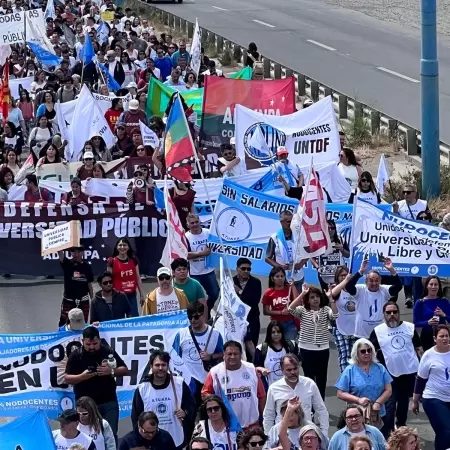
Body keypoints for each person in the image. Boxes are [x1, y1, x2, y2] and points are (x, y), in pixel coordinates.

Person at [65, 326, 129, 442]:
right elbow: (67, 378)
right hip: (85, 405)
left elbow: (125, 370)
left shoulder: (108, 351)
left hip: (108, 402)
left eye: (95, 344)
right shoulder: (76, 355)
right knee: (86, 435)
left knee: (110, 434)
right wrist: (81, 377)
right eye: (88, 344)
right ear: (82, 341)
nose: (92, 347)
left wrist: (111, 371)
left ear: (99, 340)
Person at [369, 301, 423, 436]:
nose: (392, 315)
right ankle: (387, 434)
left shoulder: (409, 327)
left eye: (394, 312)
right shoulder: (378, 331)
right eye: (388, 312)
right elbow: (369, 352)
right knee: (390, 405)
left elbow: (419, 348)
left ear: (399, 313)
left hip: (409, 373)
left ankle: (401, 430)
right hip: (389, 375)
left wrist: (423, 368)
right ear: (384, 315)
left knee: (404, 404)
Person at [131, 350, 195, 449]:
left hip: (176, 440)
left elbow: (191, 405)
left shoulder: (179, 384)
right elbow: (136, 417)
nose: (160, 368)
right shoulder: (142, 388)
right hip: (151, 442)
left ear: (168, 366)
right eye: (157, 365)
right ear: (151, 367)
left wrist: (185, 412)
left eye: (163, 365)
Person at [288, 284, 338, 399]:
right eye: (312, 297)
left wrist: (330, 299)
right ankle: (309, 405)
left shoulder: (326, 310)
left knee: (321, 378)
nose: (315, 299)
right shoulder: (302, 310)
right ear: (308, 300)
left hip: (323, 349)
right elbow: (290, 308)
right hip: (306, 349)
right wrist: (303, 293)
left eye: (317, 297)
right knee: (309, 378)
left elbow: (335, 316)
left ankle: (321, 404)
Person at [202, 340, 266, 430]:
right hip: (227, 426)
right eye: (229, 354)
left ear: (241, 355)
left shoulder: (251, 369)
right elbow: (205, 394)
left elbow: (261, 395)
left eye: (235, 354)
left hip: (251, 425)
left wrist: (262, 417)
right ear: (224, 355)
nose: (232, 357)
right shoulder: (214, 372)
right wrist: (217, 401)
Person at [263, 353, 329, 436]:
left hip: (306, 435)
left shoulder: (310, 384)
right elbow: (269, 415)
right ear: (282, 370)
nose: (293, 372)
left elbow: (321, 410)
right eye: (289, 370)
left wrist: (324, 434)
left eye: (295, 368)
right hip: (283, 436)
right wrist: (269, 437)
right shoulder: (273, 388)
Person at [173, 302, 223, 404]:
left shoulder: (215, 334)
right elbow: (174, 357)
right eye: (190, 317)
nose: (193, 320)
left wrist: (211, 357)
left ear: (203, 315)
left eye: (196, 317)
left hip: (207, 383)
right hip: (188, 383)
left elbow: (223, 354)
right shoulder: (181, 334)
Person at [335, 339, 392, 427]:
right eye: (363, 351)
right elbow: (340, 394)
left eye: (369, 350)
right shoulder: (350, 370)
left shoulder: (380, 368)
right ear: (356, 353)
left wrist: (378, 403)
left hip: (378, 413)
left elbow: (388, 390)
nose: (367, 353)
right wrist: (358, 400)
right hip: (357, 416)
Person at [413, 325, 450, 450]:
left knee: (444, 432)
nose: (444, 339)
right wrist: (415, 400)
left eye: (447, 336)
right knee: (446, 430)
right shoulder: (429, 355)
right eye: (441, 336)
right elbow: (421, 379)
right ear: (435, 338)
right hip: (434, 397)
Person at [345, 257, 403, 338]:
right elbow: (348, 286)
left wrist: (392, 270)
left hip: (380, 333)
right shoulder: (360, 289)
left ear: (380, 281)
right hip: (362, 334)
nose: (374, 283)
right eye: (371, 280)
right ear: (366, 281)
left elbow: (398, 287)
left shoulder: (384, 290)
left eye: (377, 280)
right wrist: (361, 271)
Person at [265, 210, 308, 294]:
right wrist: (279, 266)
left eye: (293, 221)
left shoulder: (299, 235)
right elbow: (267, 258)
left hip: (298, 276)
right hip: (281, 278)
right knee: (283, 302)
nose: (291, 223)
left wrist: (301, 264)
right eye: (289, 221)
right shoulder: (274, 238)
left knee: (297, 302)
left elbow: (308, 252)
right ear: (281, 222)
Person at [185, 214, 220, 312]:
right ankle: (199, 314)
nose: (195, 224)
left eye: (196, 222)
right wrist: (202, 253)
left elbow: (217, 245)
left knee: (215, 293)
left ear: (200, 222)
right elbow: (185, 255)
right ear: (188, 225)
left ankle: (206, 310)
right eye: (192, 223)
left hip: (209, 270)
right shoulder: (186, 237)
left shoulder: (208, 233)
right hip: (194, 273)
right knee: (195, 298)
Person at [106, 238, 145, 317]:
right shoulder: (111, 261)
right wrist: (108, 296)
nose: (122, 247)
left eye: (124, 245)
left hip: (132, 295)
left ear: (128, 247)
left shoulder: (134, 260)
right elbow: (108, 280)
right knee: (118, 320)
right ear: (117, 247)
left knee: (133, 320)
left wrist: (141, 294)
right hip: (117, 296)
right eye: (120, 245)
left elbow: (137, 277)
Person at [328, 267, 357, 372]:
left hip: (355, 329)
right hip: (340, 329)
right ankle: (345, 383)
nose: (344, 277)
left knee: (355, 358)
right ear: (337, 278)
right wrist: (345, 281)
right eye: (342, 276)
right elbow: (332, 294)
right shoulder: (336, 289)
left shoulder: (355, 289)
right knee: (344, 357)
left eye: (346, 275)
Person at [254, 320, 297, 390]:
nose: (276, 334)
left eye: (278, 332)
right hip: (270, 388)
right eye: (273, 332)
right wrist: (261, 370)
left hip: (290, 387)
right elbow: (255, 367)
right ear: (269, 334)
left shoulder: (291, 346)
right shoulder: (261, 348)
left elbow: (298, 363)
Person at [58, 246, 94, 326]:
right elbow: (60, 253)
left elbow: (89, 284)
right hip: (69, 300)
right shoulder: (67, 264)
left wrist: (93, 300)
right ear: (71, 253)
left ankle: (80, 339)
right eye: (74, 252)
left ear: (82, 252)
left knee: (82, 324)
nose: (76, 254)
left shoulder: (87, 267)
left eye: (78, 252)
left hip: (83, 300)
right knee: (64, 323)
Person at [234, 257, 262, 358]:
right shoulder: (231, 281)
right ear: (237, 269)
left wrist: (240, 292)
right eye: (243, 268)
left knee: (252, 348)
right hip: (236, 320)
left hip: (252, 319)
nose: (246, 271)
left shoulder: (256, 282)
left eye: (248, 269)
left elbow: (254, 301)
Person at [413, 275, 450, 350]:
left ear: (439, 286)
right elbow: (415, 323)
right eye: (431, 284)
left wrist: (443, 315)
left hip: (442, 336)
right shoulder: (420, 302)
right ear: (426, 286)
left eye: (436, 284)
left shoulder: (444, 301)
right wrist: (428, 322)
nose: (433, 287)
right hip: (427, 336)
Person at [262, 267, 299, 341]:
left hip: (290, 323)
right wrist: (281, 313)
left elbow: (297, 302)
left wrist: (293, 286)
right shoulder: (268, 293)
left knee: (290, 345)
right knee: (278, 345)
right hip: (276, 324)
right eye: (277, 276)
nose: (280, 278)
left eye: (282, 276)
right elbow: (265, 311)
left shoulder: (289, 288)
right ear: (272, 278)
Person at [310, 220, 350, 288]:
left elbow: (348, 255)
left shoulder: (340, 239)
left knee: (339, 294)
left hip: (338, 273)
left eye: (332, 228)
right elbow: (311, 256)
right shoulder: (318, 240)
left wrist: (341, 249)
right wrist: (317, 267)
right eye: (328, 228)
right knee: (326, 295)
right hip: (324, 273)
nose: (330, 230)